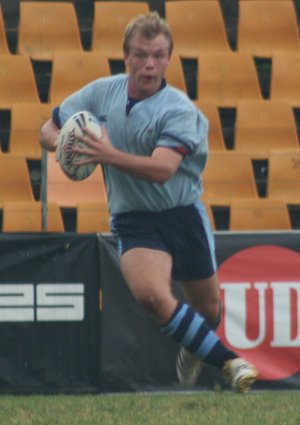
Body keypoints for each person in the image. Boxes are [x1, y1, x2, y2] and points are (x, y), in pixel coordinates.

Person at [40, 11, 257, 393]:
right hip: (133, 218)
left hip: (183, 213)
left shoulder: (179, 110)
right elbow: (48, 127)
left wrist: (104, 153)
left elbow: (161, 169)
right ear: (126, 56)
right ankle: (231, 362)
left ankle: (195, 343)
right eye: (141, 55)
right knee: (152, 295)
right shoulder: (100, 92)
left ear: (169, 58)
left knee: (207, 311)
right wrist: (66, 143)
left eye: (158, 55)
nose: (150, 64)